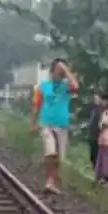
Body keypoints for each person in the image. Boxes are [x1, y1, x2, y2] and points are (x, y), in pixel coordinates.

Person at [30, 57, 79, 194]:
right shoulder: (43, 86)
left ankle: (52, 181)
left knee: (58, 157)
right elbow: (35, 104)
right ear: (53, 71)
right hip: (46, 124)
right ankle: (49, 180)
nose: (60, 72)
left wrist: (66, 70)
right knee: (50, 152)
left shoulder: (66, 86)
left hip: (62, 125)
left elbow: (76, 86)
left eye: (62, 70)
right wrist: (33, 122)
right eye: (58, 69)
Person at [94, 95, 108, 183]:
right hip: (102, 136)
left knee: (106, 157)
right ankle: (98, 174)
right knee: (100, 155)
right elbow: (101, 123)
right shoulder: (104, 112)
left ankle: (105, 176)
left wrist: (105, 124)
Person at [88, 91, 106, 170]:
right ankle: (94, 165)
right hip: (92, 134)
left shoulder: (102, 110)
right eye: (94, 98)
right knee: (92, 152)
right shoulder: (94, 109)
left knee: (96, 152)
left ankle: (97, 168)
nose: (95, 100)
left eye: (97, 98)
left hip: (98, 134)